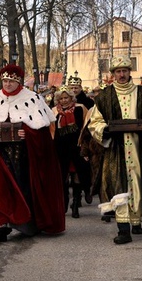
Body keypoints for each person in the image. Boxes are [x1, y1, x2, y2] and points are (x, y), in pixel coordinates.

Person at [87, 55, 142, 244]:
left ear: (129, 72)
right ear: (113, 75)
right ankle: (123, 228)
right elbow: (95, 122)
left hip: (140, 146)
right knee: (118, 183)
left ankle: (136, 220)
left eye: (125, 71)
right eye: (118, 71)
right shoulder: (104, 97)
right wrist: (105, 131)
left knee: (139, 182)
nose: (122, 74)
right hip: (115, 149)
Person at [0, 64, 65, 242]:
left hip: (26, 156)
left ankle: (28, 222)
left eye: (11, 81)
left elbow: (42, 131)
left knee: (25, 187)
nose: (7, 84)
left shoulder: (32, 98)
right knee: (3, 189)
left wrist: (28, 133)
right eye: (5, 81)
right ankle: (3, 224)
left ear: (18, 81)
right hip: (2, 155)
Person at [51, 86, 90, 219]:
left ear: (71, 97)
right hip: (60, 148)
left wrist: (85, 146)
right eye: (61, 98)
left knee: (77, 175)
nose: (64, 100)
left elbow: (86, 127)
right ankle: (64, 201)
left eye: (66, 97)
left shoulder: (80, 108)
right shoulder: (54, 111)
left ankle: (76, 203)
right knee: (63, 177)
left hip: (77, 147)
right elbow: (51, 131)